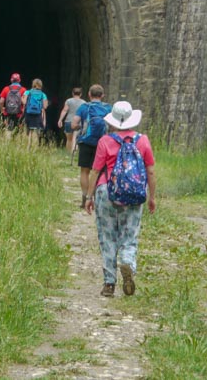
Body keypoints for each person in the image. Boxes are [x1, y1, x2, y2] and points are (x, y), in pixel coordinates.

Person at [84, 100, 157, 298]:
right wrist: (152, 196)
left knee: (107, 237)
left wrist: (88, 197)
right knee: (129, 235)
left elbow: (95, 171)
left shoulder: (105, 141)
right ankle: (127, 261)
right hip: (134, 195)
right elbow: (150, 170)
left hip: (106, 191)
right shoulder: (142, 141)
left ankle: (109, 284)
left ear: (113, 121)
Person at [72, 85, 111, 208]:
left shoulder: (84, 107)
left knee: (84, 171)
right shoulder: (108, 108)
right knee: (99, 171)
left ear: (89, 94)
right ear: (102, 95)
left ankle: (85, 198)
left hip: (86, 142)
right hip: (103, 143)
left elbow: (73, 125)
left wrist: (81, 128)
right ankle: (96, 198)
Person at [0, 73, 27, 140]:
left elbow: (1, 101)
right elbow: (25, 102)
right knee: (20, 130)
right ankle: (17, 145)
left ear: (11, 80)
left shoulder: (6, 89)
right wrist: (24, 110)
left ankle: (8, 145)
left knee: (8, 129)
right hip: (19, 114)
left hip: (8, 113)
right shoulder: (23, 90)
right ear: (19, 80)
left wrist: (2, 110)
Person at [57, 87, 85, 155]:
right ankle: (74, 153)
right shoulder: (84, 103)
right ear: (81, 94)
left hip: (69, 121)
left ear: (72, 93)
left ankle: (68, 153)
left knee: (69, 139)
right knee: (76, 139)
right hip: (79, 123)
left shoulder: (68, 101)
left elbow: (65, 110)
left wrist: (60, 120)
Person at [22, 78, 48, 149]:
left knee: (28, 130)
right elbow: (45, 106)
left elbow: (24, 102)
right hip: (38, 114)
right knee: (36, 130)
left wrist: (23, 100)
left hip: (28, 113)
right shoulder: (43, 94)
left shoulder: (27, 92)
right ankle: (35, 147)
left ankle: (27, 147)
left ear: (33, 84)